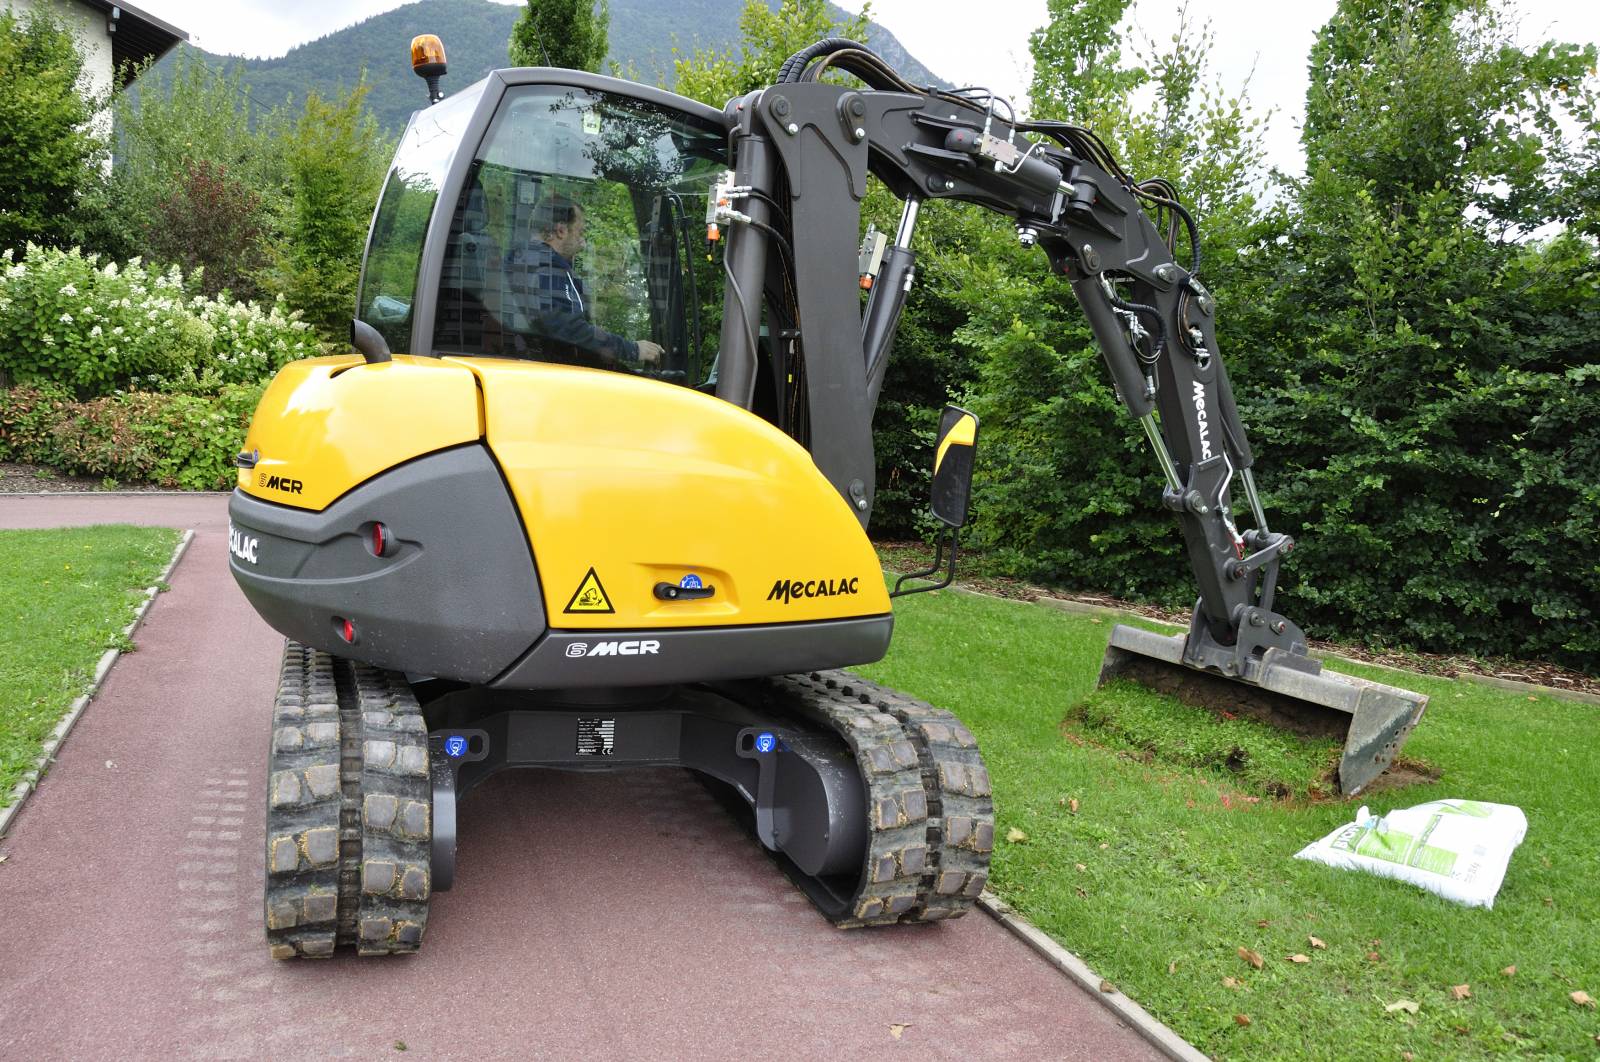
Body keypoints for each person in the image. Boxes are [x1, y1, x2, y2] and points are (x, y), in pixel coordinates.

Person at [504, 193, 664, 369]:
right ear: (561, 231)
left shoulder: (525, 264)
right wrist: (631, 349)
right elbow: (568, 331)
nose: (583, 243)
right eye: (580, 232)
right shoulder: (548, 269)